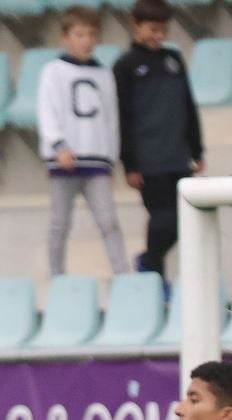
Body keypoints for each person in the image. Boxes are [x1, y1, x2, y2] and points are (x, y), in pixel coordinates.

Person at [115, 0, 203, 278]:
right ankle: (155, 275)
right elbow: (122, 117)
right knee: (164, 220)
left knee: (186, 221)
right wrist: (130, 164)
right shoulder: (125, 66)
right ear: (136, 26)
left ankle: (149, 263)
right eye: (153, 29)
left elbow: (188, 106)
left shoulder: (173, 59)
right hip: (149, 161)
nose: (159, 36)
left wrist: (197, 149)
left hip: (178, 155)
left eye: (163, 29)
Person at [41, 6, 130, 276]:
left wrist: (111, 158)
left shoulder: (104, 74)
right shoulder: (53, 71)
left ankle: (123, 274)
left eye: (92, 34)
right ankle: (56, 275)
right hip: (65, 162)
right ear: (65, 37)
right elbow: (47, 110)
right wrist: (59, 146)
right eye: (79, 34)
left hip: (97, 162)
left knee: (108, 222)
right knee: (59, 224)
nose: (86, 40)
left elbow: (111, 119)